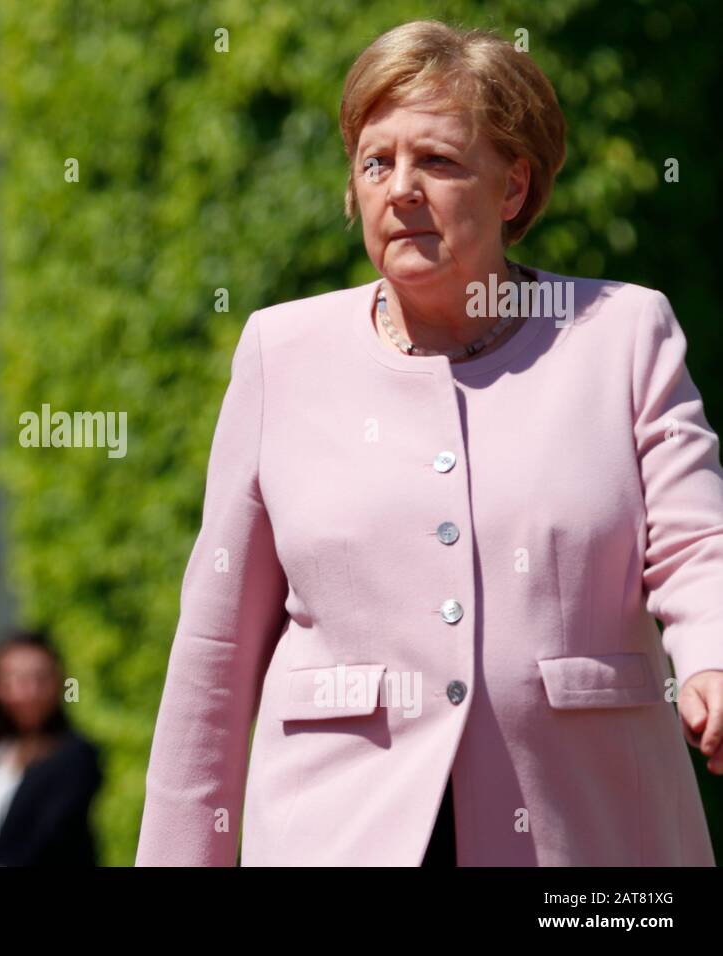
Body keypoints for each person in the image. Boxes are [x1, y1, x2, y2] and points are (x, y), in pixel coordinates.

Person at [136, 19, 723, 867]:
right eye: (376, 162)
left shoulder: (624, 332)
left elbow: (698, 543)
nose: (400, 188)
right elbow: (216, 651)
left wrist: (710, 656)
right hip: (338, 830)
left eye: (438, 162)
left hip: (585, 839)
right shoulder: (280, 351)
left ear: (514, 186)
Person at [0, 630, 101, 866]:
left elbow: (43, 840)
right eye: (16, 680)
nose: (29, 692)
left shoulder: (75, 756)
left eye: (40, 679)